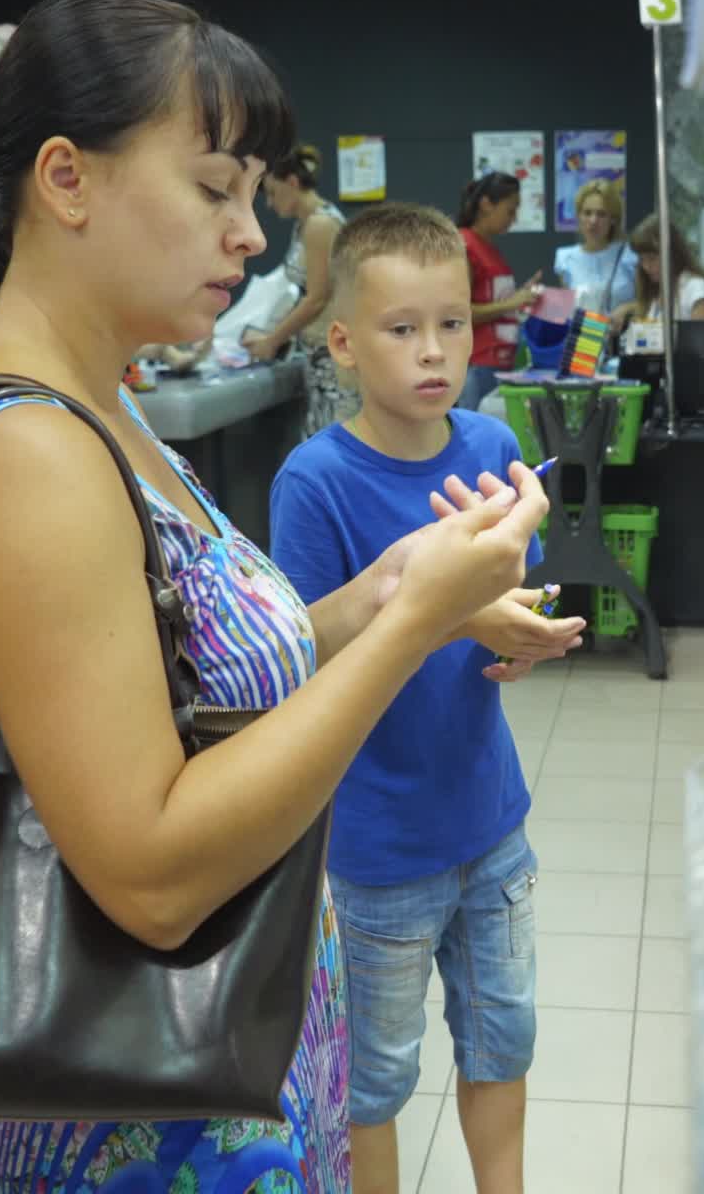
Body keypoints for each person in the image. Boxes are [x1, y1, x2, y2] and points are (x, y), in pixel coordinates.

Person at [0, 0, 549, 1194]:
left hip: (231, 1067)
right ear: (67, 178)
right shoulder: (24, 451)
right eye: (214, 187)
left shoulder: (101, 406)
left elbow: (186, 683)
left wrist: (386, 589)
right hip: (156, 1129)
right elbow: (152, 870)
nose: (253, 235)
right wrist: (415, 623)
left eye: (254, 192)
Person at [269, 202, 585, 1194]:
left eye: (451, 322)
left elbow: (507, 589)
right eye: (402, 328)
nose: (433, 350)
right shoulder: (313, 481)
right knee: (374, 1076)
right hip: (377, 844)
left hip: (490, 820)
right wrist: (466, 620)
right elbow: (308, 654)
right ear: (344, 342)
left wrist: (519, 632)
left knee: (502, 1038)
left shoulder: (489, 442)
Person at [242, 143, 352, 436]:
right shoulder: (304, 225)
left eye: (273, 191)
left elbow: (317, 298)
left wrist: (272, 339)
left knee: (333, 442)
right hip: (317, 355)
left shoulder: (320, 224)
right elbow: (302, 294)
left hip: (332, 360)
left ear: (292, 182)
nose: (269, 202)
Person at [455, 172, 541, 412]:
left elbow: (495, 301)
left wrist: (521, 296)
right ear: (486, 204)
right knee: (474, 442)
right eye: (510, 211)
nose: (513, 219)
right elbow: (458, 313)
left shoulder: (490, 248)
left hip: (499, 363)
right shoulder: (465, 245)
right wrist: (511, 303)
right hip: (477, 363)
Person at [613, 213, 704, 328]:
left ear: (672, 253)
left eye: (652, 258)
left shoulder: (695, 289)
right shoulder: (656, 293)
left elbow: (703, 342)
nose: (646, 266)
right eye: (642, 260)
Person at [552, 178, 638, 315]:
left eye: (601, 214)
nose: (593, 221)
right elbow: (568, 312)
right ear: (579, 216)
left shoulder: (630, 255)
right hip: (585, 335)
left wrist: (627, 308)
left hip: (624, 334)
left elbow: (651, 301)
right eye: (587, 213)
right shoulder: (565, 259)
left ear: (613, 219)